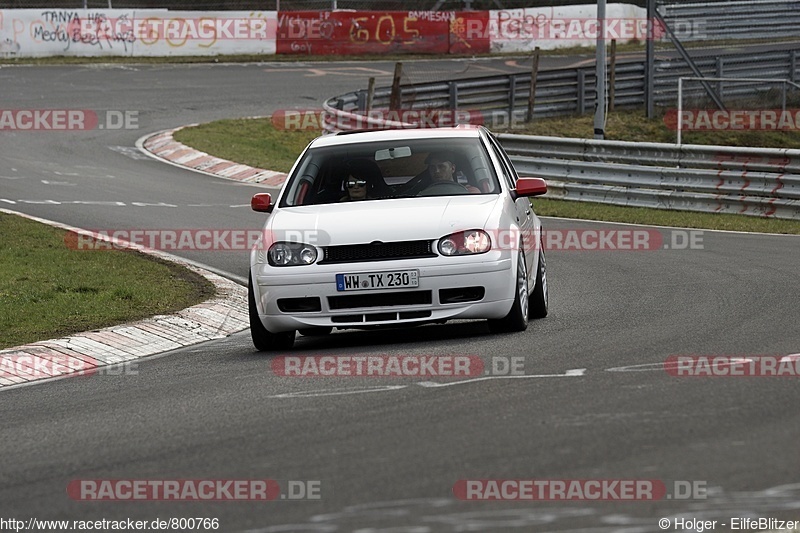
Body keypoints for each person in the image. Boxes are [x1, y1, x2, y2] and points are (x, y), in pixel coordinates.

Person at [399, 151, 481, 195]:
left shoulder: (470, 192)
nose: (436, 171)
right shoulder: (421, 194)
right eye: (432, 167)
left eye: (441, 167)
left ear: (452, 168)